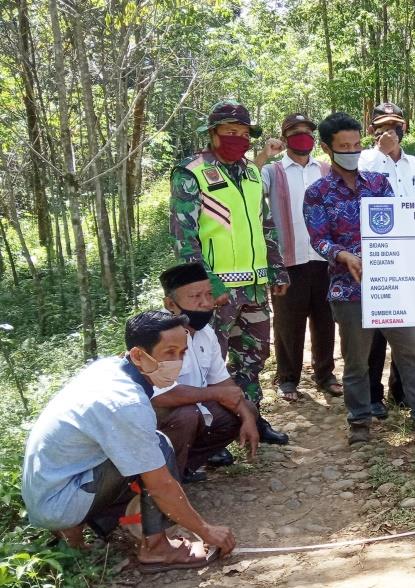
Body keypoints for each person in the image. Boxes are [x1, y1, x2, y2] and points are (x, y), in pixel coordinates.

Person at [21, 311, 236, 572]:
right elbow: (161, 486)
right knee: (158, 447)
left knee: (145, 447)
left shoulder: (108, 368)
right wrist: (206, 531)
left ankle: (73, 534)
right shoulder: (127, 403)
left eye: (182, 352)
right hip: (58, 502)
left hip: (49, 489)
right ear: (137, 355)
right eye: (169, 352)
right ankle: (156, 549)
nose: (178, 362)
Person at [303, 111, 415, 444]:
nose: (351, 150)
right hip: (349, 290)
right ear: (327, 148)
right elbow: (319, 239)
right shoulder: (317, 192)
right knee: (356, 361)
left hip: (392, 286)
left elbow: (400, 225)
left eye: (355, 144)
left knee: (410, 351)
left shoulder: (377, 183)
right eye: (343, 146)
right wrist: (342, 255)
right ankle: (359, 421)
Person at [169, 99, 290, 445]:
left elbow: (264, 225)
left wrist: (277, 269)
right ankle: (211, 436)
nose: (237, 137)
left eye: (242, 132)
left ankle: (251, 418)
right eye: (229, 131)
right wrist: (206, 285)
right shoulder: (191, 172)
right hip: (214, 290)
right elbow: (183, 237)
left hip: (253, 286)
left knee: (253, 357)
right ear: (213, 133)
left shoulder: (252, 172)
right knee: (209, 363)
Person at [258, 113, 341, 402]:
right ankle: (288, 378)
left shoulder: (326, 169)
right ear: (284, 136)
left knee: (325, 320)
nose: (302, 136)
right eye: (295, 132)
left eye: (307, 131)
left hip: (324, 258)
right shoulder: (272, 171)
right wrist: (263, 155)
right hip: (287, 260)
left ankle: (325, 374)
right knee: (287, 323)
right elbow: (246, 184)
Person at [155, 263, 261, 483]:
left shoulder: (206, 332)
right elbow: (161, 395)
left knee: (245, 409)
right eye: (195, 296)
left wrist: (247, 415)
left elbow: (223, 384)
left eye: (209, 294)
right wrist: (215, 395)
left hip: (195, 414)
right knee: (186, 416)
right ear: (170, 304)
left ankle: (183, 468)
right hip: (155, 422)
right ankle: (159, 482)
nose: (207, 303)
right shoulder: (156, 335)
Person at [360, 102, 415, 418]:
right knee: (376, 331)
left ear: (405, 128)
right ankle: (372, 395)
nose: (390, 131)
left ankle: (401, 391)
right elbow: (365, 195)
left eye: (396, 125)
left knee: (409, 328)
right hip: (378, 258)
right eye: (382, 125)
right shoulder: (364, 160)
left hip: (412, 257)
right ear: (373, 130)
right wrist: (383, 154)